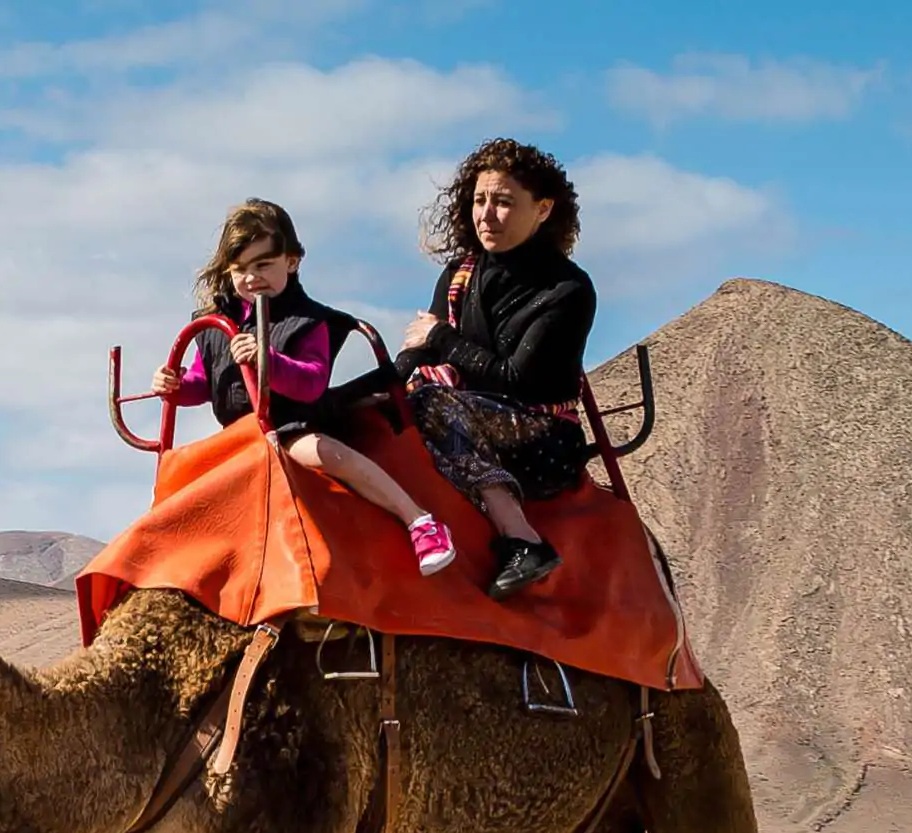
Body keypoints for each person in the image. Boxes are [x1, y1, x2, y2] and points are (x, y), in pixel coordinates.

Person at [331, 138, 596, 599]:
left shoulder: (567, 290)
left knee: (429, 402)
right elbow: (414, 359)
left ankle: (523, 540)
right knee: (387, 405)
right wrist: (340, 400)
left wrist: (439, 338)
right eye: (480, 200)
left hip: (541, 433)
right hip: (463, 408)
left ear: (543, 209)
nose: (486, 215)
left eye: (504, 202)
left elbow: (519, 380)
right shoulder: (461, 272)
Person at [162, 200, 458, 575]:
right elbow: (203, 383)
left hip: (290, 426)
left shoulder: (308, 322)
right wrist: (174, 387)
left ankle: (419, 521)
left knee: (321, 453)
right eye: (241, 269)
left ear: (292, 261)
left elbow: (311, 383)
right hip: (239, 435)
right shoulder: (214, 326)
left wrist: (268, 360)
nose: (252, 278)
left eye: (263, 265)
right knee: (188, 476)